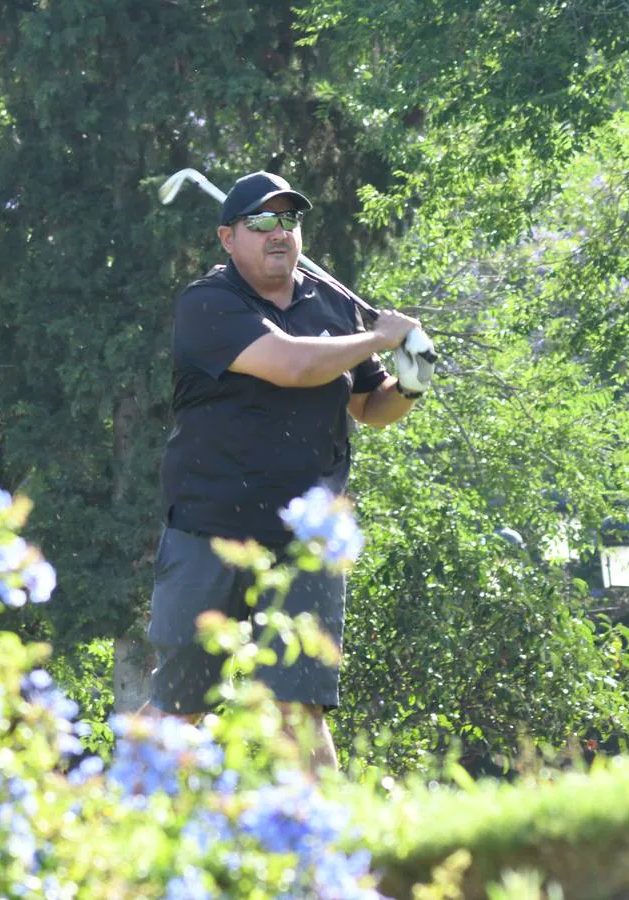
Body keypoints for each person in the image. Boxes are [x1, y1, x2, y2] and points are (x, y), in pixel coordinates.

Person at [148, 172, 424, 771]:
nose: (280, 233)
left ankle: (328, 855)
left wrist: (411, 381)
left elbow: (372, 409)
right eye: (262, 221)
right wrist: (377, 334)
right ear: (228, 237)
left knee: (300, 705)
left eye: (289, 221)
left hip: (307, 536)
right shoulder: (207, 303)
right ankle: (112, 839)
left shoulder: (332, 303)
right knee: (180, 706)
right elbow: (293, 365)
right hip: (211, 527)